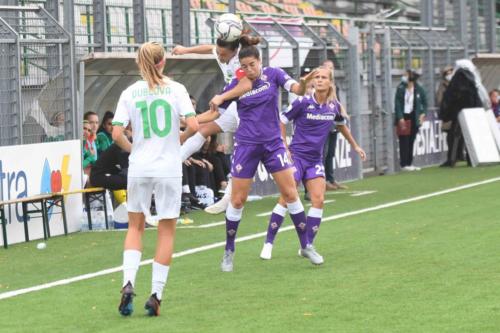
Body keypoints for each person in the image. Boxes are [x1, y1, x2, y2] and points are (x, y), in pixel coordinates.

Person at [212, 35, 319, 272]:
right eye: (244, 66)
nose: (248, 70)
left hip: (273, 145)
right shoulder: (238, 84)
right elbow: (216, 112)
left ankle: (307, 246)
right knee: (238, 199)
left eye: (252, 65)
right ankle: (229, 251)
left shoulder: (274, 75)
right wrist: (189, 122)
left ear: (260, 62)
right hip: (247, 146)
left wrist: (305, 82)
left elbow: (297, 89)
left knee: (291, 193)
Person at [112, 41, 199, 317]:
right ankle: (156, 295)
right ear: (163, 62)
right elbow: (193, 126)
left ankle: (127, 284)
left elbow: (116, 134)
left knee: (135, 228)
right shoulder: (176, 89)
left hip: (139, 167)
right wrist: (177, 140)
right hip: (167, 167)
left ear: (139, 63)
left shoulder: (130, 91)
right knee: (166, 229)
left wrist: (133, 149)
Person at [259, 66, 366, 261]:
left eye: (324, 77)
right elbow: (281, 121)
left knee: (319, 200)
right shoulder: (302, 102)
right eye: (317, 77)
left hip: (315, 160)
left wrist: (356, 146)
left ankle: (306, 245)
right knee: (286, 197)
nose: (319, 80)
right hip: (296, 158)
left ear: (330, 82)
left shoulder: (333, 106)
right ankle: (268, 243)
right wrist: (284, 147)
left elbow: (342, 126)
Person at [172, 37, 252, 215]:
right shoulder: (223, 55)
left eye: (223, 54)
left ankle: (228, 197)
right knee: (204, 130)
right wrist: (185, 50)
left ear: (234, 52)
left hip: (251, 109)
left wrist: (188, 120)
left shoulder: (240, 62)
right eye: (219, 52)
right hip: (234, 104)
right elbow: (210, 48)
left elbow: (246, 85)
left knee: (242, 147)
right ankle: (173, 163)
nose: (219, 56)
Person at [440, 59, 490, 167]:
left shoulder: (458, 78)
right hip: (473, 112)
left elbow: (451, 97)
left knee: (453, 136)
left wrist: (446, 112)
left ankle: (452, 159)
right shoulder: (473, 79)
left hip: (460, 113)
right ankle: (471, 158)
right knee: (472, 136)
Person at [321, 59, 348, 191]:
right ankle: (322, 180)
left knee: (331, 152)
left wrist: (342, 115)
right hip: (324, 123)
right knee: (323, 153)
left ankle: (331, 179)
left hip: (334, 122)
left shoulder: (334, 86)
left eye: (331, 67)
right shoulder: (321, 86)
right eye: (327, 67)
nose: (330, 70)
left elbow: (337, 103)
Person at [394, 69, 427, 171]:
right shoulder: (400, 88)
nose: (403, 76)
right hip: (404, 116)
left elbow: (424, 103)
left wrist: (422, 114)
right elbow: (398, 104)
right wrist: (400, 118)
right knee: (404, 140)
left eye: (406, 75)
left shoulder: (419, 89)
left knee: (411, 140)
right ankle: (404, 164)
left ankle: (409, 162)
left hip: (413, 117)